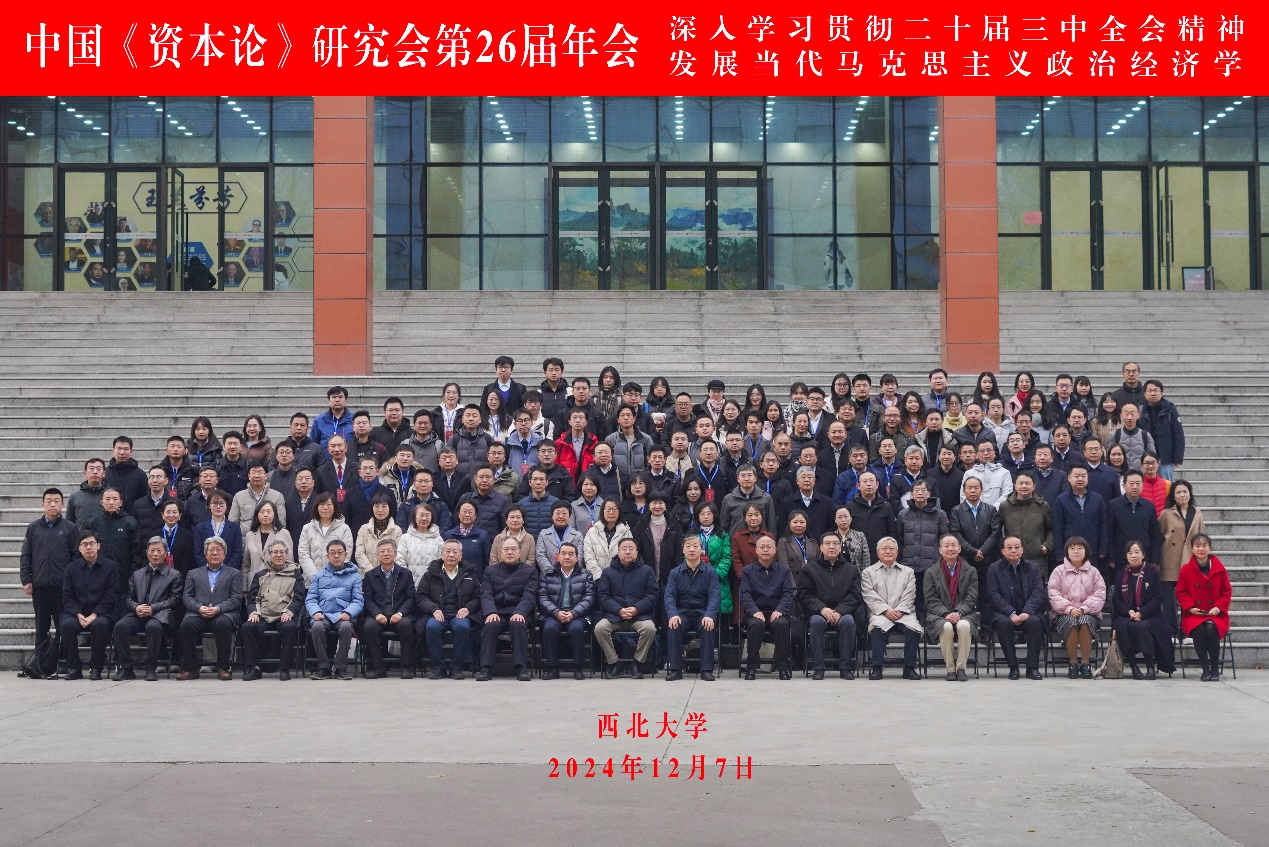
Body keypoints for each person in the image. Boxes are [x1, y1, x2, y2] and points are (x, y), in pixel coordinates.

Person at [110, 536, 183, 681]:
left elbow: (174, 599)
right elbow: (128, 597)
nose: (155, 554)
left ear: (165, 553)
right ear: (147, 552)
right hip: (138, 613)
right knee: (120, 626)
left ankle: (151, 668)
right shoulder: (137, 574)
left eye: (159, 551)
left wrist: (153, 608)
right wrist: (136, 607)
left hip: (160, 614)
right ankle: (126, 668)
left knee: (153, 627)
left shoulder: (174, 575)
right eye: (152, 551)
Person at [22, 488, 79, 662]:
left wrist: (72, 582)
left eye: (56, 501)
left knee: (63, 625)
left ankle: (63, 661)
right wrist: (26, 579)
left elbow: (75, 556)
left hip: (62, 587)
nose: (52, 504)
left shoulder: (70, 528)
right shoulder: (33, 528)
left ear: (62, 505)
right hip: (40, 585)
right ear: (43, 504)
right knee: (42, 627)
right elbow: (26, 555)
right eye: (49, 501)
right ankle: (41, 662)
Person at [177, 537, 243, 681]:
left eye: (218, 550)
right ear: (205, 554)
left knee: (223, 624)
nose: (214, 553)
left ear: (224, 554)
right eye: (211, 550)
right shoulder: (193, 573)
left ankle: (223, 668)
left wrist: (218, 608)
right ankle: (190, 668)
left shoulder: (234, 573)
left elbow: (236, 598)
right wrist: (199, 608)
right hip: (198, 613)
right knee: (186, 625)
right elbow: (187, 597)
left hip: (222, 613)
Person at [239, 540, 305, 681]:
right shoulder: (260, 575)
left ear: (286, 555)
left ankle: (284, 669)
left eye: (282, 552)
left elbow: (298, 598)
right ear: (269, 555)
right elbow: (253, 598)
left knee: (290, 627)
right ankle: (253, 668)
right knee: (248, 627)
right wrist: (254, 612)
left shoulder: (295, 574)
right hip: (263, 615)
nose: (278, 555)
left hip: (283, 615)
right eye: (275, 552)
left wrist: (289, 612)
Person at [799, 532, 862, 680]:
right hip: (818, 612)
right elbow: (804, 594)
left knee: (848, 622)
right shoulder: (810, 569)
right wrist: (822, 609)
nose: (831, 547)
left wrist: (839, 611)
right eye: (827, 543)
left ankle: (845, 667)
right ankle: (818, 668)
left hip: (843, 613)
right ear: (821, 547)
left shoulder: (851, 569)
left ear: (841, 547)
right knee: (816, 622)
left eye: (835, 543)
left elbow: (855, 595)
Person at [58, 531, 121, 680]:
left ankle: (96, 668)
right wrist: (79, 614)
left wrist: (94, 614)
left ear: (98, 546)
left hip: (102, 612)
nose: (88, 547)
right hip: (76, 613)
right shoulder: (71, 569)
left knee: (100, 625)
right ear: (79, 548)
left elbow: (111, 595)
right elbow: (67, 596)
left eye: (91, 544)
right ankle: (74, 668)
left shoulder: (111, 567)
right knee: (66, 625)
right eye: (84, 544)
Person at [477, 537, 540, 681]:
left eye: (513, 549)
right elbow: (486, 594)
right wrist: (491, 612)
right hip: (497, 611)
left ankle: (521, 667)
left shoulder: (530, 571)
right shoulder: (490, 570)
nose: (509, 552)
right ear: (500, 552)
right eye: (506, 549)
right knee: (491, 624)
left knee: (518, 624)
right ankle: (486, 667)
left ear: (520, 552)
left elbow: (529, 596)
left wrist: (520, 612)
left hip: (520, 612)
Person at [416, 539, 482, 679]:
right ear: (442, 554)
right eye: (448, 551)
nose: (451, 555)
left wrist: (468, 608)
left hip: (460, 614)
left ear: (461, 555)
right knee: (432, 627)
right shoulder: (431, 574)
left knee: (463, 627)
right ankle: (438, 667)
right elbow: (421, 596)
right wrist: (433, 609)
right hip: (437, 613)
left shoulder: (469, 574)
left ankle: (456, 667)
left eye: (455, 552)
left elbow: (478, 597)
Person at [595, 538, 659, 678]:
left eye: (631, 549)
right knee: (600, 628)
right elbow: (603, 596)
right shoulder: (607, 572)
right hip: (615, 616)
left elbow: (653, 595)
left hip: (639, 616)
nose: (628, 552)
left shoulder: (647, 571)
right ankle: (614, 663)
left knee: (649, 629)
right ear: (618, 552)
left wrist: (636, 609)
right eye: (624, 549)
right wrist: (618, 610)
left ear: (637, 552)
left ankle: (636, 663)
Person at [1111, 540, 1175, 679]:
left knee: (1143, 627)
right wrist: (1128, 611)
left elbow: (1158, 598)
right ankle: (1134, 667)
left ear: (1143, 554)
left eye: (1136, 552)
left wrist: (1142, 613)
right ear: (1126, 556)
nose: (1133, 556)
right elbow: (1117, 599)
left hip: (1150, 615)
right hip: (1127, 615)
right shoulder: (1121, 575)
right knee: (1123, 626)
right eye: (1130, 553)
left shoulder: (1152, 574)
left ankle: (1150, 666)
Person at [861, 537, 922, 680]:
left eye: (891, 549)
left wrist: (900, 610)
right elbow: (868, 594)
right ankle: (877, 668)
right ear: (878, 553)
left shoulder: (908, 572)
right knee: (877, 629)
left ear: (897, 552)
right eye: (884, 549)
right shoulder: (868, 572)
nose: (888, 552)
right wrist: (885, 610)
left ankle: (909, 668)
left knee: (913, 630)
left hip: (904, 613)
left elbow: (910, 594)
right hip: (880, 614)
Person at [1048, 536, 1106, 680]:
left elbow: (1100, 594)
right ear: (1067, 551)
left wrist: (1084, 608)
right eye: (1072, 548)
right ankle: (1073, 663)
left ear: (1086, 551)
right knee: (1071, 621)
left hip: (1089, 613)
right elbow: (1053, 593)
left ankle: (1085, 664)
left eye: (1080, 548)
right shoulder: (1058, 571)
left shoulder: (1094, 572)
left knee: (1085, 620)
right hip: (1064, 614)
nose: (1076, 551)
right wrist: (1068, 609)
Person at [1176, 534, 1232, 681]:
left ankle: (1214, 668)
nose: (1201, 549)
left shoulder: (1220, 568)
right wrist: (1190, 608)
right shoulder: (1186, 570)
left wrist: (1218, 608)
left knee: (1211, 627)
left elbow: (1226, 591)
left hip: (1216, 614)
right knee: (1199, 628)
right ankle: (1205, 668)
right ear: (1192, 549)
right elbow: (1180, 592)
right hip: (1193, 614)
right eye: (1197, 546)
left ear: (1210, 548)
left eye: (1204, 545)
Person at [664, 536, 720, 682]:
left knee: (708, 627)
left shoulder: (710, 572)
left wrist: (709, 615)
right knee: (674, 626)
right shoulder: (675, 573)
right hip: (682, 613)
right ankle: (675, 669)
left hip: (702, 613)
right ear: (683, 550)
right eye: (688, 546)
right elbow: (669, 596)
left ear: (701, 550)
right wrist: (673, 614)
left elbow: (715, 596)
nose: (692, 549)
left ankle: (706, 670)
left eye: (695, 546)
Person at [305, 539, 363, 680]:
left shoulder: (355, 576)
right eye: (332, 553)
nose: (336, 556)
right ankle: (323, 667)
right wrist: (315, 612)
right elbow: (311, 599)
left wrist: (348, 612)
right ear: (327, 556)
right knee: (316, 627)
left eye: (339, 552)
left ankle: (341, 668)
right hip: (323, 614)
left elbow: (358, 600)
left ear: (346, 555)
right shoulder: (319, 576)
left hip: (343, 615)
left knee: (346, 627)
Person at [923, 534, 979, 681]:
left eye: (953, 545)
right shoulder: (931, 572)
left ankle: (961, 668)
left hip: (965, 614)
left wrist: (959, 612)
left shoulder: (970, 571)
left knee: (964, 626)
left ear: (959, 548)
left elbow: (971, 597)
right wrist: (946, 614)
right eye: (946, 546)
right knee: (946, 627)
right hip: (939, 615)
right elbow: (931, 599)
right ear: (940, 550)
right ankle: (950, 669)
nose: (950, 549)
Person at [738, 535, 794, 680]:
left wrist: (780, 610)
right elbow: (745, 594)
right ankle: (751, 667)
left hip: (777, 612)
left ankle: (783, 667)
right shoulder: (747, 571)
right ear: (756, 550)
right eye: (761, 547)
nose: (765, 550)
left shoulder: (783, 570)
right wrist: (754, 611)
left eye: (769, 547)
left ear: (775, 550)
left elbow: (788, 593)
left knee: (781, 624)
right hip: (755, 612)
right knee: (756, 624)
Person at [949, 476, 1001, 630]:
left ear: (981, 490)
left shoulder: (991, 510)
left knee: (986, 596)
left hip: (987, 560)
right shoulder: (956, 511)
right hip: (965, 560)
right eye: (969, 488)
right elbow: (956, 533)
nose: (973, 491)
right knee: (964, 595)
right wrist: (972, 552)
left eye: (976, 488)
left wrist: (982, 551)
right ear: (964, 491)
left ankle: (986, 631)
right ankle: (966, 629)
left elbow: (995, 533)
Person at [360, 538, 417, 679]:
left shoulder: (406, 574)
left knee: (406, 625)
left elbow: (410, 598)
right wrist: (376, 614)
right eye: (382, 551)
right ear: (377, 555)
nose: (386, 554)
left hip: (399, 614)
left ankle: (406, 667)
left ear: (395, 554)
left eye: (389, 551)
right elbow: (367, 599)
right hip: (379, 614)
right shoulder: (370, 575)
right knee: (369, 627)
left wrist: (400, 613)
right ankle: (378, 668)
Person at [538, 542, 594, 680]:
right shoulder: (548, 574)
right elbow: (542, 597)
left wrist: (573, 613)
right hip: (553, 615)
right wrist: (556, 612)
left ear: (577, 557)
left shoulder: (586, 575)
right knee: (549, 629)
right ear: (558, 556)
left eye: (571, 554)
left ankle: (578, 668)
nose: (567, 557)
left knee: (576, 629)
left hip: (577, 615)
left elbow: (589, 597)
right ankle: (552, 668)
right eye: (563, 553)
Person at [1159, 480, 1203, 634]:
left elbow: (1201, 536)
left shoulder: (1197, 513)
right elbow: (1160, 535)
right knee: (1168, 600)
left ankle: (1186, 630)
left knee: (1188, 597)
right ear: (1173, 495)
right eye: (1178, 492)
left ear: (1190, 494)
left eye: (1185, 491)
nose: (1182, 495)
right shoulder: (1166, 513)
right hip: (1170, 559)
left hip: (1190, 559)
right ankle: (1171, 631)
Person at [85, 488, 140, 606]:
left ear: (121, 502)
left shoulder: (130, 522)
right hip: (97, 577)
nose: (111, 502)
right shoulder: (94, 523)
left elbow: (136, 552)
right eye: (107, 499)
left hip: (122, 576)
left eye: (115, 499)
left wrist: (132, 575)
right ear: (101, 502)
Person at [1107, 470, 1164, 581]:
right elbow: (1109, 533)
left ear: (1142, 485)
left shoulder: (1149, 506)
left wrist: (1154, 559)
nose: (1135, 487)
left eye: (1138, 483)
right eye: (1131, 483)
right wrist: (1111, 558)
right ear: (1124, 486)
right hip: (1121, 558)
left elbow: (1155, 534)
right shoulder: (1114, 505)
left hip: (1144, 557)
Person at [1052, 466, 1109, 576]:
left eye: (1083, 476)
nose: (1080, 479)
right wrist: (1060, 554)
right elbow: (1058, 528)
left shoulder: (1097, 499)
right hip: (1070, 552)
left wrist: (1103, 549)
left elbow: (1103, 525)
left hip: (1093, 550)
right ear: (1069, 478)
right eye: (1076, 476)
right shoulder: (1061, 500)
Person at [998, 472, 1053, 574]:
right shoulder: (1005, 507)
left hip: (1037, 559)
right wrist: (1003, 548)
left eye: (1027, 483)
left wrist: (1047, 546)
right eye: (1021, 483)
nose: (1024, 486)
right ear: (1015, 486)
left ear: (1034, 486)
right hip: (1012, 559)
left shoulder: (1043, 506)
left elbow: (1050, 529)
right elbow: (997, 531)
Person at [296, 493, 354, 584]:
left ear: (334, 507)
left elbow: (346, 555)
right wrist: (316, 577)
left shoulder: (344, 529)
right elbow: (303, 554)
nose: (325, 508)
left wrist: (333, 577)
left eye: (329, 504)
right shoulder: (307, 528)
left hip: (337, 581)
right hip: (312, 582)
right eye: (322, 504)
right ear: (317, 507)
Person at [241, 500, 293, 591]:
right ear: (257, 515)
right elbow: (246, 565)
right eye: (262, 512)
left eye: (269, 512)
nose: (265, 515)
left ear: (274, 514)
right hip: (254, 584)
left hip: (278, 585)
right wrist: (245, 589)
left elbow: (289, 561)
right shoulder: (250, 535)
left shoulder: (283, 533)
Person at [846, 471, 898, 557]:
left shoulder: (886, 506)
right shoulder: (850, 506)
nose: (868, 484)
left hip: (880, 554)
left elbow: (892, 532)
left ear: (877, 484)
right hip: (856, 554)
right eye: (865, 481)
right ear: (858, 486)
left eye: (871, 481)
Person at [1140, 380, 1184, 480]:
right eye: (1150, 390)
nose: (1153, 393)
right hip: (1145, 456)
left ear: (1162, 393)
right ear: (1145, 393)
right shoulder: (1140, 409)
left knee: (1166, 484)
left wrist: (1178, 457)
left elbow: (1178, 434)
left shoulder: (1170, 409)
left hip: (1165, 457)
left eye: (1156, 390)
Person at [779, 465, 836, 540]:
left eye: (809, 477)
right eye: (803, 477)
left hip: (820, 544)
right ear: (797, 481)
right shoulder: (787, 502)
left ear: (814, 480)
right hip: (794, 545)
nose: (806, 480)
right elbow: (783, 528)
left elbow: (831, 527)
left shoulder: (827, 502)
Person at [229, 462, 287, 535]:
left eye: (260, 472)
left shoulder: (277, 496)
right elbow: (232, 522)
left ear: (266, 476)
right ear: (249, 476)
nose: (256, 476)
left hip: (270, 539)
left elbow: (281, 523)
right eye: (253, 472)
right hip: (245, 539)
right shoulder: (239, 496)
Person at [193, 490, 244, 571]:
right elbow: (198, 553)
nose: (218, 507)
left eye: (221, 503)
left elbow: (237, 553)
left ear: (227, 505)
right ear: (209, 506)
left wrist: (226, 571)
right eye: (214, 503)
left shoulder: (235, 527)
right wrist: (208, 570)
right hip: (206, 572)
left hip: (229, 572)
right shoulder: (200, 528)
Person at [355, 494, 403, 575]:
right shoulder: (364, 529)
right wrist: (372, 573)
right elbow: (359, 554)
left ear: (390, 508)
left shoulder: (397, 530)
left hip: (390, 575)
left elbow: (399, 554)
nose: (380, 510)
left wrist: (385, 571)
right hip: (367, 575)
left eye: (384, 506)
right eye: (377, 506)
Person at [444, 501, 492, 579]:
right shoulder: (449, 535)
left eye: (470, 512)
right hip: (453, 578)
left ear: (475, 515)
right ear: (459, 514)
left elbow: (487, 561)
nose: (467, 515)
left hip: (476, 579)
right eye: (464, 512)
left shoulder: (483, 535)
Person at [449, 405, 495, 477]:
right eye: (468, 415)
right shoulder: (454, 439)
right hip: (460, 481)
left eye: (474, 416)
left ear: (480, 420)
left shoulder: (488, 439)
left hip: (482, 481)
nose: (471, 419)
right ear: (462, 419)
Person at [104, 436, 149, 508]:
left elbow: (144, 498)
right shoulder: (104, 473)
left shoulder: (140, 474)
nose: (122, 452)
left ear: (131, 452)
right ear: (113, 451)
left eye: (126, 449)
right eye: (119, 449)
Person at [517, 468, 560, 538]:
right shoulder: (521, 504)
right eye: (535, 479)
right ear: (530, 483)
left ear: (547, 482)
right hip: (529, 542)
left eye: (541, 479)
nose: (538, 482)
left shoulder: (556, 503)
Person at [310, 386, 354, 455]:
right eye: (334, 397)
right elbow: (313, 444)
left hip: (349, 460)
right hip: (325, 460)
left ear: (346, 400)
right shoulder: (319, 420)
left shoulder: (354, 419)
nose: (337, 400)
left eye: (340, 397)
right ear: (329, 400)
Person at [65, 458, 107, 529]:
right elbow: (69, 523)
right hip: (81, 535)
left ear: (104, 473)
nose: (95, 472)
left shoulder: (110, 497)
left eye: (98, 469)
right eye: (91, 468)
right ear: (85, 473)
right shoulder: (75, 497)